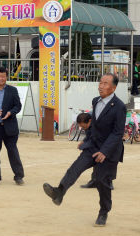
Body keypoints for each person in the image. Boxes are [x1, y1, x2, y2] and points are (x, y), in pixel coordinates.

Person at [43, 73, 126, 226]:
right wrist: (86, 141)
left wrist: (105, 152)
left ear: (113, 88)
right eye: (100, 82)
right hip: (93, 146)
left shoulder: (120, 107)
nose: (101, 86)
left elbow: (117, 133)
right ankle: (59, 192)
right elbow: (94, 126)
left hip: (109, 151)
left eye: (105, 83)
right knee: (75, 168)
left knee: (102, 181)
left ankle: (104, 212)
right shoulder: (96, 101)